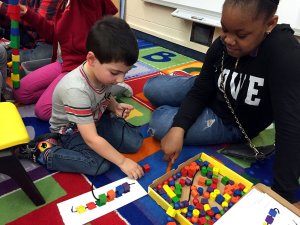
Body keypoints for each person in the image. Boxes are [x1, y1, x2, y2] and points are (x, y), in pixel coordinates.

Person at [143, 0, 300, 206]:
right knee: (151, 88)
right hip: (214, 89)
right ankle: (186, 114)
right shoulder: (223, 43)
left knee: (160, 124)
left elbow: (290, 126)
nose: (228, 40)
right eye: (225, 28)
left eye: (241, 35)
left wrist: (283, 194)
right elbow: (200, 89)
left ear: (269, 24)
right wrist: (180, 126)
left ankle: (186, 115)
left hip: (230, 121)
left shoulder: (285, 55)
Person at [17, 16, 144, 180]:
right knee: (98, 164)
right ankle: (44, 152)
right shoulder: (76, 90)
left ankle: (102, 138)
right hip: (70, 131)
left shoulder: (103, 74)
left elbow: (104, 93)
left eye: (125, 72)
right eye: (115, 73)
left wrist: (114, 106)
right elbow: (90, 139)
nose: (121, 80)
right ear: (91, 59)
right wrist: (122, 161)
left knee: (134, 142)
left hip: (93, 120)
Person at [13, 0, 132, 121]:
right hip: (64, 63)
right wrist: (28, 14)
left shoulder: (87, 4)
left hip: (80, 67)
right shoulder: (64, 3)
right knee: (21, 93)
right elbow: (55, 34)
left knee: (44, 110)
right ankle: (89, 93)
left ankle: (105, 92)